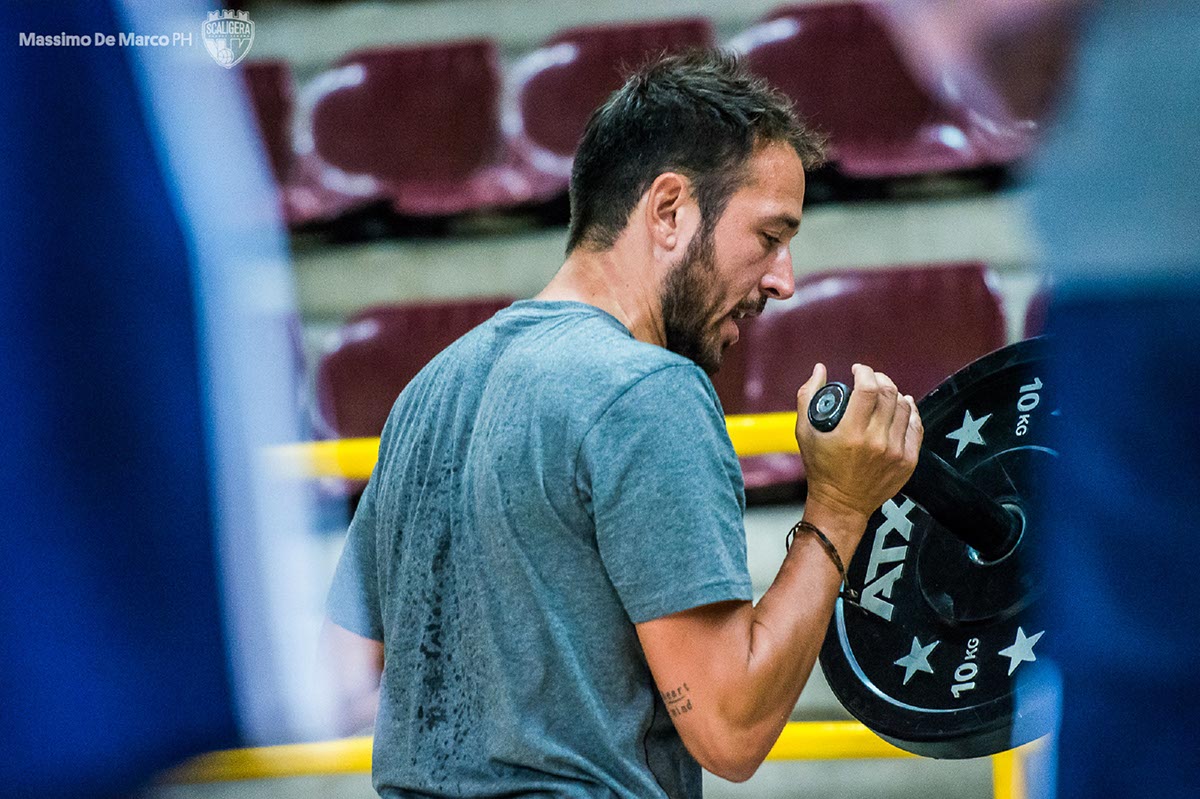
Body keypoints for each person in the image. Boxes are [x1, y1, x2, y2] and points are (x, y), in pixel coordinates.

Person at [323, 50, 922, 798]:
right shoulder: (648, 390)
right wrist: (841, 504)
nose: (783, 280)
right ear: (669, 211)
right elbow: (730, 730)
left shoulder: (428, 390)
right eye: (769, 236)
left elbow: (350, 667)